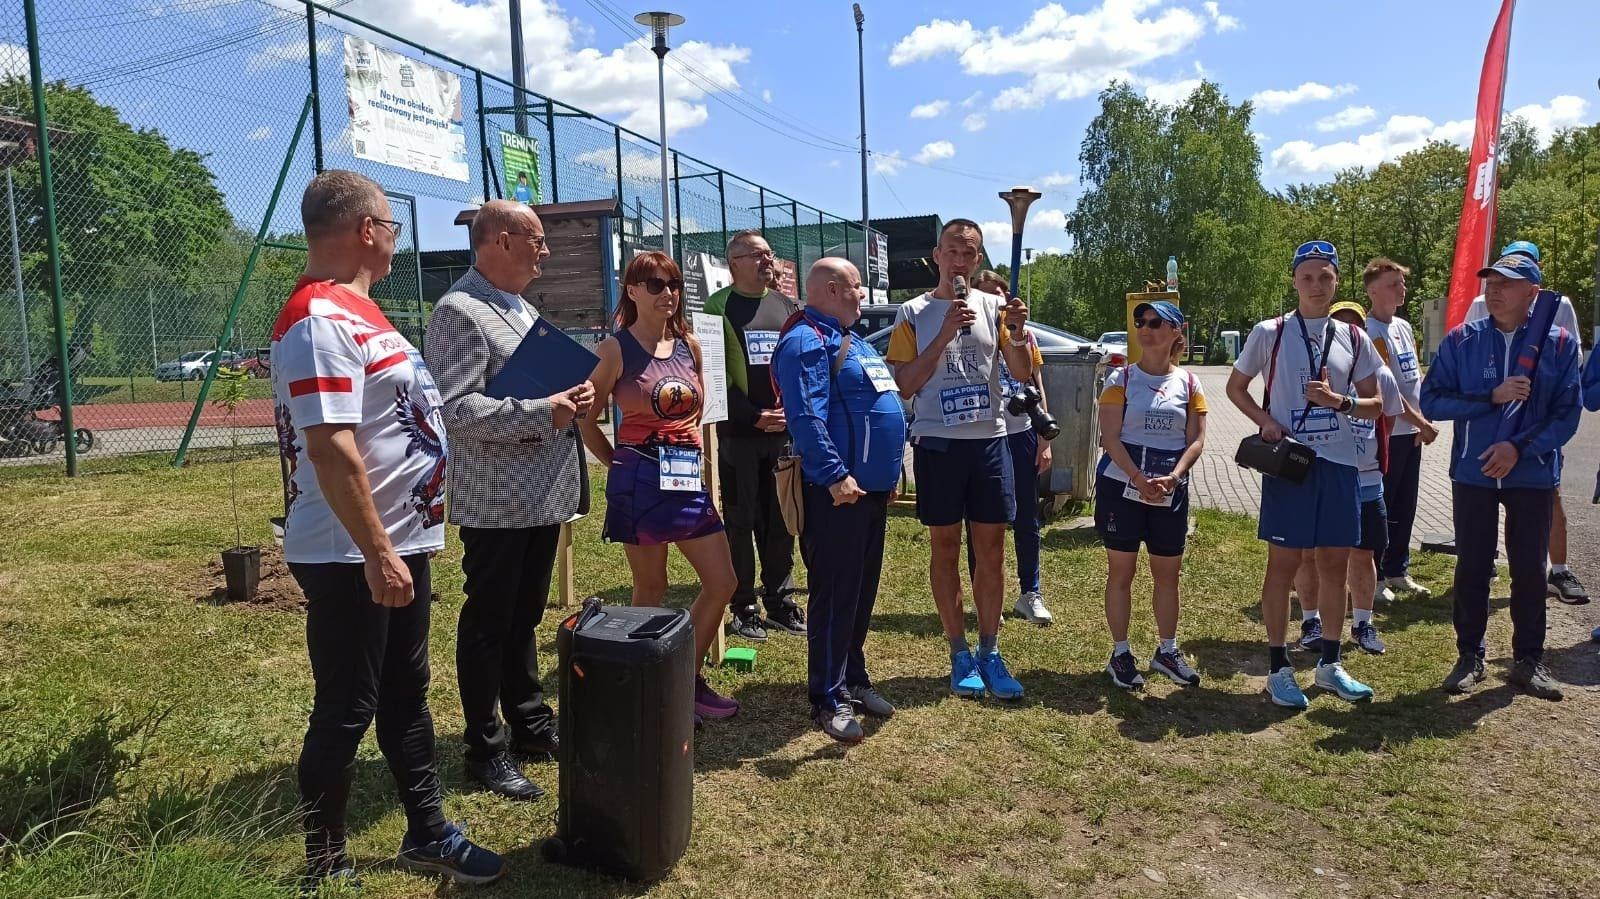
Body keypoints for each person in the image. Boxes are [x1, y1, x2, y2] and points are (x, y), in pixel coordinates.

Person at [272, 171, 505, 890]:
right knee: (348, 706)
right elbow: (332, 446)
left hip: (394, 544)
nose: (397, 244)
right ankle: (326, 862)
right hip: (352, 550)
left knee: (405, 689)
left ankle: (427, 831)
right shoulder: (318, 319)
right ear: (367, 229)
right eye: (393, 230)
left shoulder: (361, 312)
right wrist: (376, 549)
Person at [423, 200, 594, 802]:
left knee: (524, 616)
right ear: (499, 240)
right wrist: (543, 410)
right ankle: (484, 747)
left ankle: (529, 723)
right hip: (497, 501)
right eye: (537, 239)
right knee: (490, 622)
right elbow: (457, 410)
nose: (545, 250)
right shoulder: (459, 311)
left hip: (541, 494)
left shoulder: (518, 308)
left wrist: (574, 395)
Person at [578, 251, 741, 724]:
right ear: (631, 291)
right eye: (654, 285)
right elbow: (589, 422)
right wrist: (620, 467)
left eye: (672, 284)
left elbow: (696, 412)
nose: (667, 294)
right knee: (651, 584)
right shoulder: (615, 350)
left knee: (722, 581)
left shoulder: (690, 345)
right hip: (640, 480)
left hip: (686, 477)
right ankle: (644, 686)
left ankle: (683, 678)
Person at [1225, 240, 1385, 709]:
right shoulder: (1270, 332)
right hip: (1292, 465)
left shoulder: (1354, 338)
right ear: (1294, 281)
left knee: (1335, 565)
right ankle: (1278, 668)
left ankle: (1331, 664)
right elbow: (1236, 387)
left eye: (1325, 277)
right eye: (1308, 276)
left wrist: (1340, 402)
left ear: (1337, 282)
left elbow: (1376, 404)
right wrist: (1265, 421)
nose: (1317, 285)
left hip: (1339, 464)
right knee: (1285, 565)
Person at [885, 218, 1034, 700]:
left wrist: (1016, 331)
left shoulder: (995, 306)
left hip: (989, 441)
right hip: (938, 443)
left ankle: (990, 649)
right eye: (952, 251)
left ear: (979, 259)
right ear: (936, 256)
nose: (960, 261)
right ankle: (957, 650)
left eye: (969, 253)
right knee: (945, 548)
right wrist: (945, 331)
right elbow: (904, 383)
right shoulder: (913, 311)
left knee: (991, 551)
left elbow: (1022, 374)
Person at [1421, 253, 1579, 700]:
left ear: (1533, 292)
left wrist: (1518, 447)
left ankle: (1529, 659)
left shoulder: (1560, 342)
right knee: (1472, 566)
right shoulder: (1463, 339)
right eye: (1490, 282)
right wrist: (1488, 398)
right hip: (1473, 472)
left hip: (1530, 473)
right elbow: (1431, 400)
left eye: (1506, 284)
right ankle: (1469, 655)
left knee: (1530, 569)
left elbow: (1567, 415)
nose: (1494, 291)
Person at [772, 258, 906, 743]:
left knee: (861, 590)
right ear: (831, 289)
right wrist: (835, 476)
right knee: (833, 595)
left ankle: (853, 676)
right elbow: (805, 417)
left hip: (867, 494)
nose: (862, 296)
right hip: (837, 495)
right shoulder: (805, 341)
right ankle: (828, 697)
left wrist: (885, 474)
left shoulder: (858, 344)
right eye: (855, 287)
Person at [1465, 240, 1588, 605]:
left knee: (1549, 495)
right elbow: (1471, 357)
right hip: (1492, 422)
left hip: (1537, 424)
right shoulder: (1478, 304)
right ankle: (1482, 563)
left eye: (1528, 265)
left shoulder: (1557, 304)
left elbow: (1570, 362)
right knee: (1483, 494)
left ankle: (1558, 569)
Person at [1094, 300, 1207, 689]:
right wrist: (1139, 478)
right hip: (1122, 486)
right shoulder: (1120, 379)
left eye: (1155, 322)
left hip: (1169, 491)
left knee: (1167, 575)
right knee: (1121, 572)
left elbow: (1196, 441)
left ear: (1177, 330)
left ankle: (1167, 650)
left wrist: (1174, 478)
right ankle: (1121, 653)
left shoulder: (1190, 383)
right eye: (1140, 321)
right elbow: (1110, 439)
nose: (1145, 327)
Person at [702, 230, 806, 641]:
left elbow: (798, 366)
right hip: (740, 433)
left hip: (782, 432)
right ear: (735, 263)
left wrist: (787, 413)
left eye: (769, 254)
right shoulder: (717, 306)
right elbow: (713, 372)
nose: (768, 261)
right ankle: (744, 606)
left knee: (781, 518)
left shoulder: (787, 306)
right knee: (742, 519)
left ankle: (780, 601)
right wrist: (752, 415)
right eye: (758, 255)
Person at [970, 270, 1054, 626]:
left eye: (1001, 296)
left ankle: (1029, 592)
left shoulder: (1024, 336)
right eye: (989, 295)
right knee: (982, 521)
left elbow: (1036, 382)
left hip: (1021, 433)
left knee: (1026, 517)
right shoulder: (969, 334)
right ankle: (983, 596)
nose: (997, 302)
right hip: (986, 435)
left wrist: (1043, 438)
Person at [1362, 258, 1440, 601]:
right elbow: (1388, 388)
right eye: (1394, 284)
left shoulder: (1403, 327)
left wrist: (1423, 418)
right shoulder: (1370, 333)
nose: (1401, 289)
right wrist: (1419, 421)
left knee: (1406, 505)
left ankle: (1397, 570)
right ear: (1373, 290)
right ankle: (1373, 578)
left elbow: (1412, 378)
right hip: (1389, 433)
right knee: (1384, 504)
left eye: (1402, 284)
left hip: (1411, 433)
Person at [1330, 300, 1402, 655]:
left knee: (1364, 555)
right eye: (1339, 325)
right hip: (1328, 477)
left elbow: (1386, 422)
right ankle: (1315, 623)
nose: (1348, 331)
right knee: (1321, 555)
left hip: (1368, 481)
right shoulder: (1320, 371)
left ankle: (1363, 624)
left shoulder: (1382, 374)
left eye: (1354, 325)